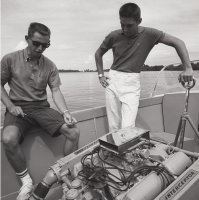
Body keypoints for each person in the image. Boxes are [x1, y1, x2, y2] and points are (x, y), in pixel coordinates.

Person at [1, 22, 80, 200]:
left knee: (74, 131)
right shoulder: (10, 59)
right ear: (27, 39)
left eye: (45, 45)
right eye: (36, 43)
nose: (40, 48)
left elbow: (56, 91)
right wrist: (10, 106)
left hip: (41, 108)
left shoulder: (50, 65)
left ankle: (65, 171)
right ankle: (27, 182)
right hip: (18, 108)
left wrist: (65, 111)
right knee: (7, 138)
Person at [95, 3, 193, 132]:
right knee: (113, 125)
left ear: (139, 21)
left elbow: (178, 42)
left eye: (129, 25)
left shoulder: (150, 34)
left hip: (131, 83)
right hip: (113, 80)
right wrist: (101, 75)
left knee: (127, 127)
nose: (125, 29)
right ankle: (114, 151)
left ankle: (126, 149)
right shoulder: (113, 35)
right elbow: (98, 53)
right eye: (122, 24)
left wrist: (188, 68)